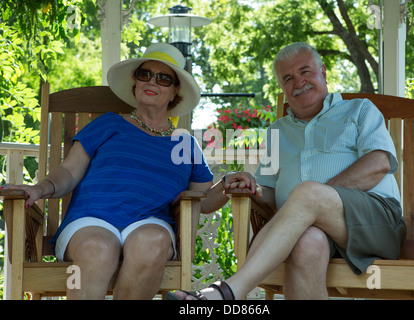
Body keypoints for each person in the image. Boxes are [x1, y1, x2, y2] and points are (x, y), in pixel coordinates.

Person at [1, 43, 258, 300]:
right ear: (135, 82)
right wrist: (38, 188)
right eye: (145, 74)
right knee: (97, 249)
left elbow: (203, 199)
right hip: (91, 221)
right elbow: (68, 172)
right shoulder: (108, 124)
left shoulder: (185, 144)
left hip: (150, 222)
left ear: (175, 92)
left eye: (164, 78)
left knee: (153, 241)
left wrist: (227, 184)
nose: (152, 82)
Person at [167, 42, 406, 300]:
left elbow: (379, 162)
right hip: (315, 230)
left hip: (375, 225)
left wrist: (317, 195)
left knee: (307, 193)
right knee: (306, 243)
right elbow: (268, 192)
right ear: (282, 87)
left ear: (323, 72)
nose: (298, 82)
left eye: (305, 71)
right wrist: (253, 187)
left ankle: (228, 291)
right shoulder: (277, 132)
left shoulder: (360, 110)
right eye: (288, 78)